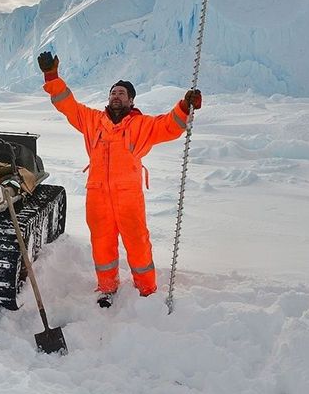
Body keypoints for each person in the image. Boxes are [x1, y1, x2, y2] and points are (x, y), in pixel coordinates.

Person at [37, 51, 202, 307]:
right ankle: (107, 288)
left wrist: (183, 106)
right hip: (97, 194)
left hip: (128, 197)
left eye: (121, 93)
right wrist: (52, 76)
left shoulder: (141, 125)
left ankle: (146, 290)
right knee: (102, 244)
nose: (116, 96)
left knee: (137, 243)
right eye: (113, 92)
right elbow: (67, 105)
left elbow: (168, 126)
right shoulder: (93, 121)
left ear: (131, 100)